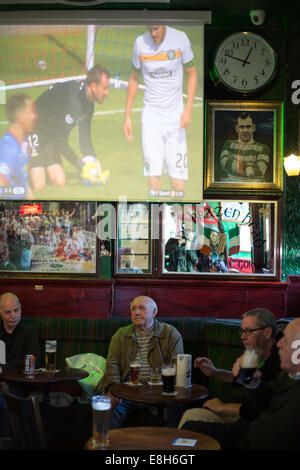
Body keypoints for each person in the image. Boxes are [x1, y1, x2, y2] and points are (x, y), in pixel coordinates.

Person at [182, 317, 300, 450]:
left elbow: (273, 429)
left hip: (254, 436)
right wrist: (252, 382)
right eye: (242, 331)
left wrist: (223, 407)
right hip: (249, 429)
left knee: (189, 430)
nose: (279, 344)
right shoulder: (287, 374)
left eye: (285, 340)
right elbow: (264, 401)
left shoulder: (278, 366)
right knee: (189, 427)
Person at [124, 25, 198, 196]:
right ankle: (155, 218)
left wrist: (188, 111)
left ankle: (179, 220)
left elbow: (192, 74)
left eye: (156, 29)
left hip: (176, 120)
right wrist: (127, 116)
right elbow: (134, 78)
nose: (153, 33)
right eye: (150, 30)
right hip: (151, 120)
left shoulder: (180, 38)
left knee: (177, 181)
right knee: (153, 177)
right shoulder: (140, 43)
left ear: (164, 25)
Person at [178, 308, 281, 428]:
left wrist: (222, 407)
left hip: (259, 424)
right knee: (191, 415)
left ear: (267, 333)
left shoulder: (280, 360)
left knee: (192, 418)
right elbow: (241, 380)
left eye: (248, 331)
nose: (243, 337)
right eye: (241, 331)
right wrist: (214, 372)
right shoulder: (255, 352)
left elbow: (261, 408)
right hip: (245, 415)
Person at [98, 295, 184, 428]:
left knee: (174, 407)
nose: (136, 312)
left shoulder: (170, 333)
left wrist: (167, 392)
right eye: (133, 309)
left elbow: (177, 366)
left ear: (154, 312)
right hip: (126, 392)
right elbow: (112, 364)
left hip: (159, 392)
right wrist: (112, 389)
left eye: (142, 308)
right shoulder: (121, 334)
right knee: (108, 406)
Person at [28, 64, 110, 191]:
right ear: (93, 86)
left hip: (52, 136)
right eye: (104, 88)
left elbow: (85, 137)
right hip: (34, 128)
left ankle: (40, 162)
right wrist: (81, 166)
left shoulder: (89, 105)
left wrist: (95, 165)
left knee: (59, 182)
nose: (107, 93)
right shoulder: (74, 102)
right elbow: (61, 142)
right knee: (39, 185)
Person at [0, 93, 37, 199]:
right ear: (21, 117)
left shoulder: (24, 143)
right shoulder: (9, 149)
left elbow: (23, 183)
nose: (35, 116)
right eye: (31, 112)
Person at [219, 112, 270, 182]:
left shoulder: (262, 148)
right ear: (237, 128)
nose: (245, 130)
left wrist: (236, 166)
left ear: (254, 128)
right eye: (241, 127)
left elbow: (260, 170)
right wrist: (247, 165)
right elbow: (224, 163)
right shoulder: (229, 145)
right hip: (232, 186)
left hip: (254, 188)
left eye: (248, 127)